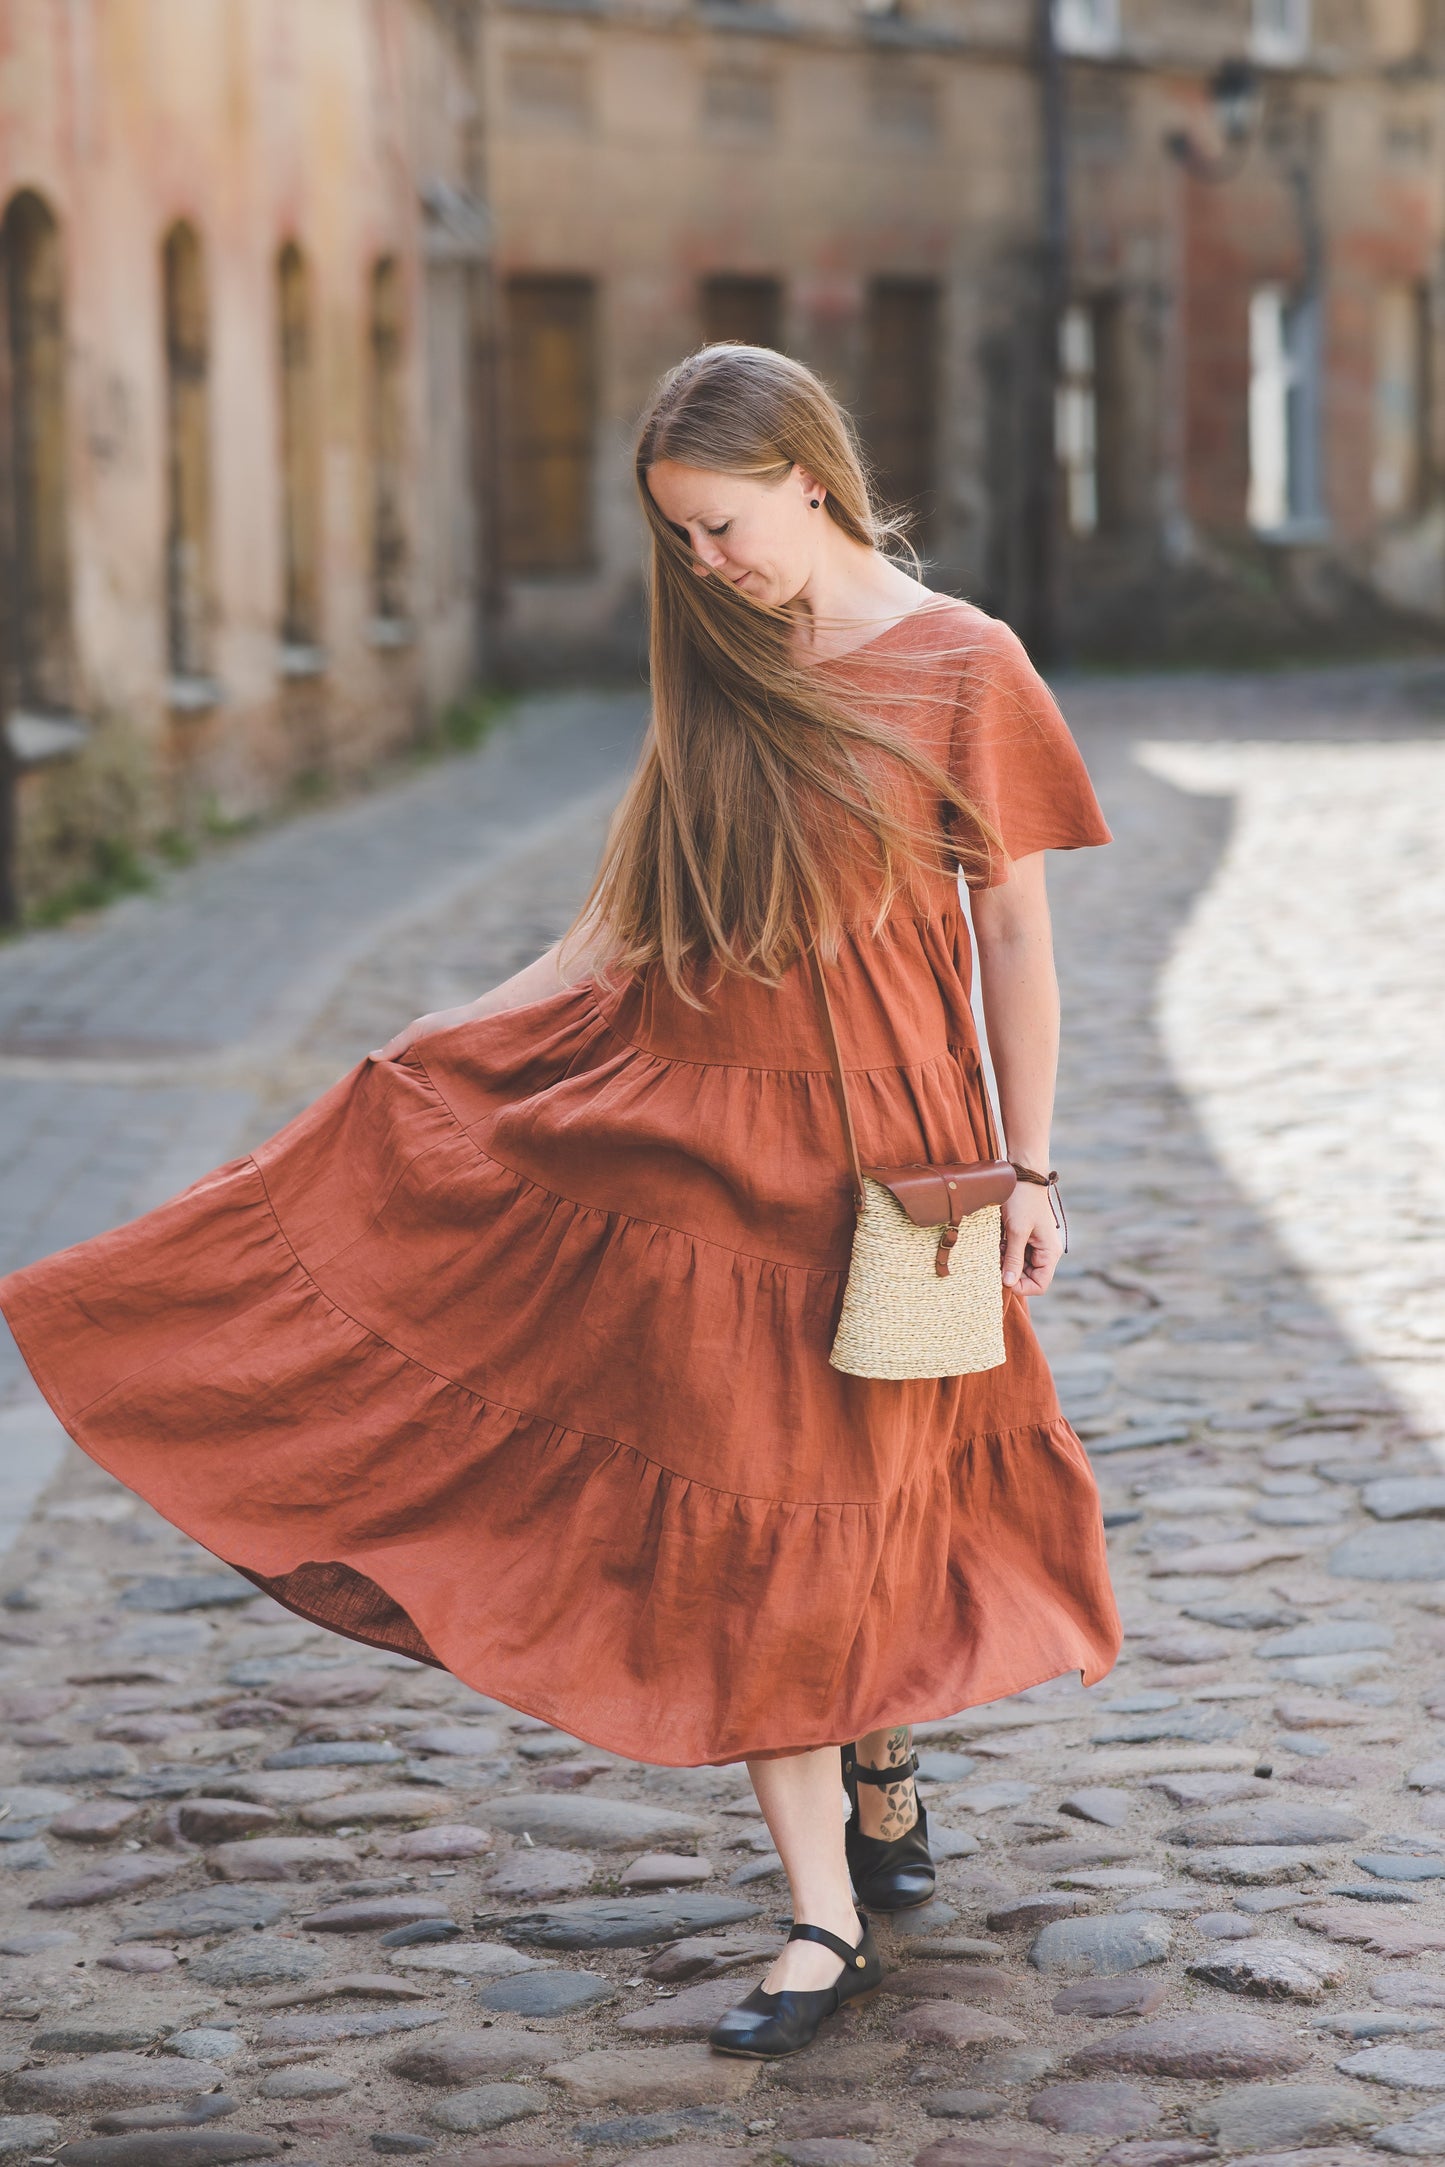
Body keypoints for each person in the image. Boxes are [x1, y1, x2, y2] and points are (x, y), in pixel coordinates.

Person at [0, 343, 1120, 2062]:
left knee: (873, 1489)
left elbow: (1016, 937)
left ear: (806, 482)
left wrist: (1031, 1167)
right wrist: (435, 1041)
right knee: (765, 1511)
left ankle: (878, 1734)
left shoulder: (965, 664)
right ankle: (820, 1915)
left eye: (720, 528)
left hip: (898, 1155)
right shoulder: (726, 667)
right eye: (677, 538)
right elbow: (625, 919)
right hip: (704, 1152)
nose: (704, 567)